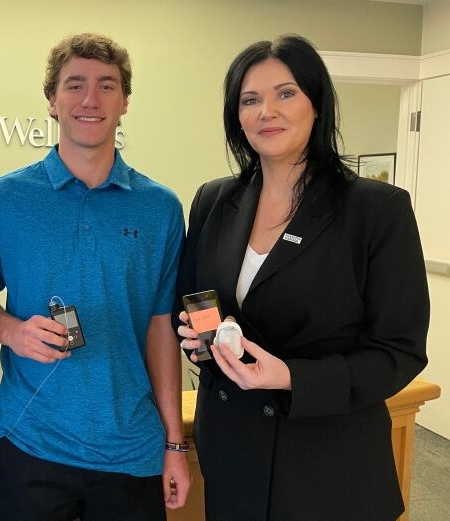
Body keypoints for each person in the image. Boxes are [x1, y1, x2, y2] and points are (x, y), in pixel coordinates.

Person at [175, 34, 429, 521]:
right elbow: (191, 304)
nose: (266, 110)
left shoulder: (376, 209)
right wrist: (197, 337)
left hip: (328, 463)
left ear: (318, 104)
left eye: (285, 93)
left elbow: (399, 352)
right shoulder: (214, 200)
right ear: (237, 116)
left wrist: (290, 377)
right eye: (250, 100)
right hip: (232, 454)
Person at [0, 33, 191, 521]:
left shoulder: (161, 209)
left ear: (125, 101)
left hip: (132, 449)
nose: (90, 100)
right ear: (52, 100)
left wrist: (174, 442)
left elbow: (161, 327)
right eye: (75, 85)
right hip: (31, 443)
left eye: (107, 86)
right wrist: (13, 332)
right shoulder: (3, 199)